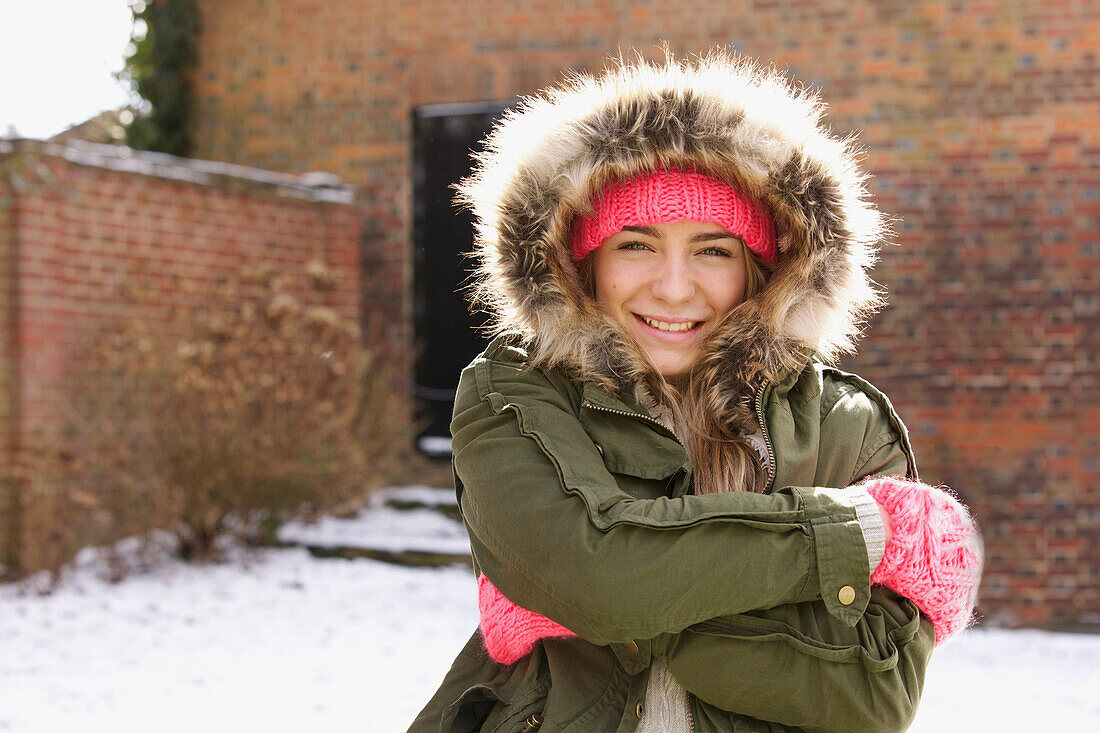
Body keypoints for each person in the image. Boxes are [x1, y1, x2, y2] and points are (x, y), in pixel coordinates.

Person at [410, 49, 982, 732]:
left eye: (713, 249)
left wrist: (589, 595)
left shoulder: (846, 425)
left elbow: (871, 698)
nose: (675, 287)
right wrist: (849, 533)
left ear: (763, 270)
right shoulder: (517, 391)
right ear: (583, 261)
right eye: (636, 245)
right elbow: (598, 582)